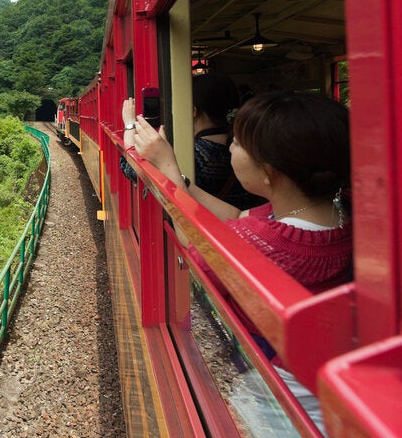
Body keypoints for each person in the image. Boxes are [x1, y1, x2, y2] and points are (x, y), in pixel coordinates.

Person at [125, 90, 352, 433]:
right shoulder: (338, 213)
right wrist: (178, 177)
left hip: (283, 398)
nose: (229, 146)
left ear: (267, 173)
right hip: (326, 387)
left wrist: (166, 166)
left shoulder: (265, 242)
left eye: (238, 143)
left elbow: (194, 243)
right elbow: (234, 215)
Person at [121, 73, 262, 210]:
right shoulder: (246, 146)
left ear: (193, 111)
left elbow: (131, 170)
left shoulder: (196, 154)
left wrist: (130, 124)